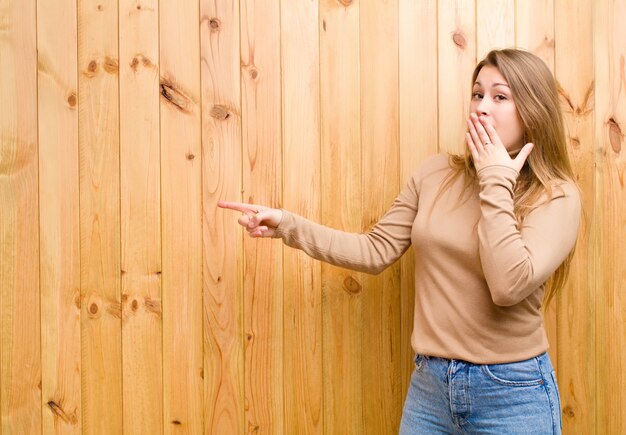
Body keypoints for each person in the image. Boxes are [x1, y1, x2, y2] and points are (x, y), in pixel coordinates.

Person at [219, 48, 579, 434]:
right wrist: (288, 226)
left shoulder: (556, 195)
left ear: (533, 111)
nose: (482, 107)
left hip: (512, 394)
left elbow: (508, 285)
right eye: (477, 94)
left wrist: (495, 177)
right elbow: (376, 250)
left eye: (500, 96)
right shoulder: (436, 173)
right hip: (431, 389)